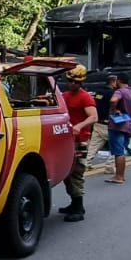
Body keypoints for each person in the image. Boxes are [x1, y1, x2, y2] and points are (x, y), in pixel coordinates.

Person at [56, 66, 98, 221]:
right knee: (67, 173)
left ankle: (78, 208)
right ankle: (74, 203)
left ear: (81, 82)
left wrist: (79, 126)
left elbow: (93, 117)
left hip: (80, 140)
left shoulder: (85, 97)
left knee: (76, 173)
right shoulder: (64, 95)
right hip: (68, 139)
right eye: (70, 81)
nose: (72, 84)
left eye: (76, 82)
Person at [103, 72, 131, 184]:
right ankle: (119, 175)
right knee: (121, 150)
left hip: (117, 125)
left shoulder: (120, 91)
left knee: (118, 152)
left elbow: (113, 100)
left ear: (118, 80)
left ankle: (119, 176)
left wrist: (114, 110)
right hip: (127, 125)